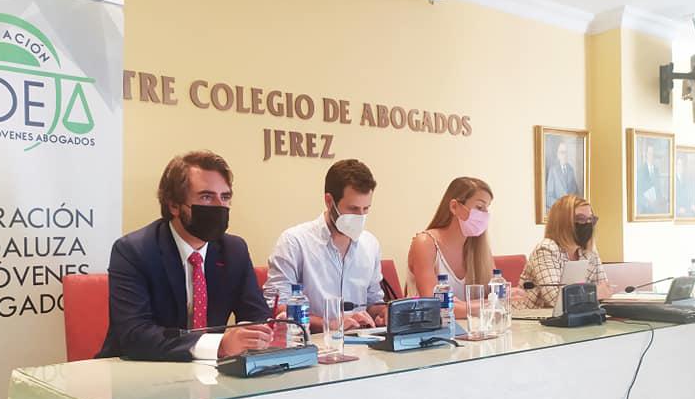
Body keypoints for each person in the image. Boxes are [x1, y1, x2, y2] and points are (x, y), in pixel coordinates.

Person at [97, 151, 272, 361]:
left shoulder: (234, 250)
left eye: (225, 197)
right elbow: (135, 335)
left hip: (212, 375)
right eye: (206, 197)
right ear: (174, 205)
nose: (219, 207)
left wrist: (250, 333)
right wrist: (218, 345)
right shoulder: (134, 251)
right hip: (138, 374)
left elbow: (256, 314)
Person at [264, 159, 386, 331]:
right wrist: (329, 325)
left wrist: (384, 312)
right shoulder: (294, 242)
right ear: (329, 201)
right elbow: (278, 308)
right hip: (312, 345)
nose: (360, 217)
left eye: (366, 209)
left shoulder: (370, 244)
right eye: (352, 209)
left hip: (363, 342)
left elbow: (373, 301)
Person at [406, 177, 497, 318]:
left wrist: (506, 295)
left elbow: (494, 298)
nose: (485, 215)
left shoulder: (480, 249)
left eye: (487, 208)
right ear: (454, 207)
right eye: (479, 207)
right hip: (429, 334)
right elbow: (434, 305)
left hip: (472, 333)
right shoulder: (425, 243)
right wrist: (482, 305)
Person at [519, 194, 611, 308]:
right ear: (563, 223)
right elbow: (555, 299)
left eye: (591, 219)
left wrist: (594, 294)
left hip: (573, 316)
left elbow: (605, 290)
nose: (587, 224)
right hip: (533, 320)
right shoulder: (546, 249)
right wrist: (593, 294)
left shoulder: (589, 250)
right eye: (581, 219)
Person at [546, 140, 580, 208]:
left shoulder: (571, 169)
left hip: (571, 210)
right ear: (558, 154)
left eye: (566, 152)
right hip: (558, 210)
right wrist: (560, 205)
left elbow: (576, 192)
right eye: (562, 152)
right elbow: (548, 197)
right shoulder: (553, 170)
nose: (564, 155)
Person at [636, 142, 665, 214]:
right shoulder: (640, 170)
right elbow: (638, 192)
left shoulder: (656, 170)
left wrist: (660, 200)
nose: (651, 156)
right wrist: (647, 203)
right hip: (645, 209)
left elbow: (658, 189)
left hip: (656, 208)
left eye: (653, 154)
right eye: (649, 153)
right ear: (646, 154)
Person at [675, 154, 695, 218]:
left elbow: (688, 196)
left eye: (682, 165)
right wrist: (677, 209)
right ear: (675, 166)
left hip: (686, 211)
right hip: (677, 214)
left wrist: (692, 204)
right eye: (679, 164)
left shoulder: (686, 180)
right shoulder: (671, 180)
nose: (680, 167)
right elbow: (668, 201)